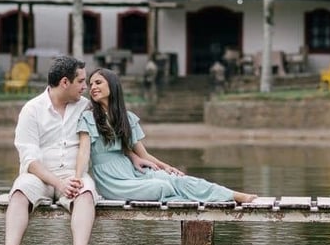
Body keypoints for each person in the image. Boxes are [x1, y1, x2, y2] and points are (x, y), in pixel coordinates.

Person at [76, 68, 257, 204]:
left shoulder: (127, 118)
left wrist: (167, 167)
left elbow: (143, 155)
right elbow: (84, 153)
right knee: (162, 187)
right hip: (112, 181)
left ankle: (232, 195)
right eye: (91, 84)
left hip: (133, 171)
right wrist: (78, 179)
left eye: (98, 83)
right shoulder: (88, 117)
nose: (92, 87)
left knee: (178, 179)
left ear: (112, 86)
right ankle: (202, 200)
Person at [0, 55, 97, 245]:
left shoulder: (85, 107)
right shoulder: (32, 110)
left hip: (73, 175)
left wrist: (74, 179)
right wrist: (58, 183)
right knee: (20, 190)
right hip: (40, 176)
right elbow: (29, 160)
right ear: (65, 82)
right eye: (81, 81)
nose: (86, 86)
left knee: (86, 192)